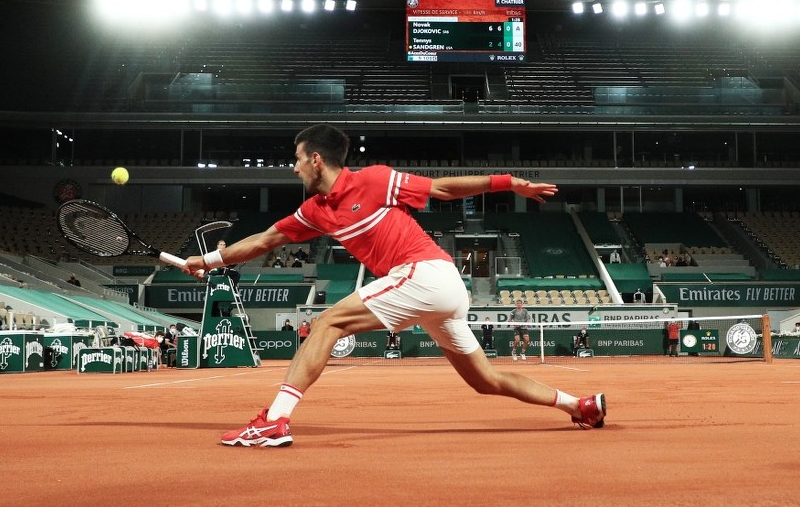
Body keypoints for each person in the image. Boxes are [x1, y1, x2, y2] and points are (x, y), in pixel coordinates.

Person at [184, 124, 605, 447]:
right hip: (439, 290)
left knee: (328, 323)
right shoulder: (314, 211)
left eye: (296, 159)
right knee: (484, 380)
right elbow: (264, 240)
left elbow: (440, 189)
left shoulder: (373, 179)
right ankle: (577, 405)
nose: (292, 167)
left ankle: (275, 420)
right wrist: (207, 260)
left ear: (316, 159)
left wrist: (509, 183)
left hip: (424, 274)